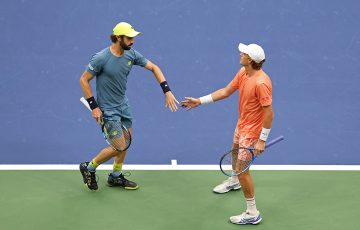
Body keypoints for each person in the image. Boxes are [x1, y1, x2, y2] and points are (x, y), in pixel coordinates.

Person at [181, 43, 274, 225]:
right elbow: (226, 91)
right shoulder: (243, 73)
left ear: (251, 60)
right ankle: (234, 181)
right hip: (242, 124)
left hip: (252, 132)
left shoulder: (261, 83)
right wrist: (200, 101)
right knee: (234, 152)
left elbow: (269, 113)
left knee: (242, 170)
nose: (240, 54)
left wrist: (261, 140)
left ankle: (252, 213)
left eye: (244, 53)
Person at [79, 22, 179, 191]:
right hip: (108, 110)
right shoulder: (101, 58)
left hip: (123, 105)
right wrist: (94, 106)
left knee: (128, 141)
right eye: (129, 38)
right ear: (118, 38)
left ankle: (115, 176)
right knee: (119, 146)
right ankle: (89, 168)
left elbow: (154, 67)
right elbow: (84, 79)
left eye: (133, 38)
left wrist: (167, 91)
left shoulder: (131, 54)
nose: (132, 41)